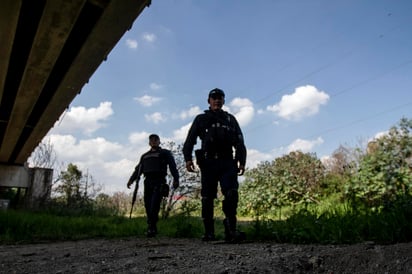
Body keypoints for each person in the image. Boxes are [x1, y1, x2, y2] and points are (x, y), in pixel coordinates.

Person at [183, 88, 247, 242]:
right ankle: (209, 232)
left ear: (224, 101)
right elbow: (190, 140)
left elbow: (240, 141)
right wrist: (188, 158)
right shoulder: (201, 119)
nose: (217, 100)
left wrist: (241, 160)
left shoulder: (230, 119)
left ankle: (230, 229)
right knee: (207, 197)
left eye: (220, 98)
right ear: (209, 101)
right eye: (214, 98)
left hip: (227, 162)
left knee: (231, 193)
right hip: (208, 162)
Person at [127, 134, 179, 237]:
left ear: (159, 141)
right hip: (148, 182)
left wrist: (176, 179)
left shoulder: (165, 153)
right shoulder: (145, 156)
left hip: (159, 181)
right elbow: (138, 170)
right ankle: (151, 226)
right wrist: (131, 180)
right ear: (149, 142)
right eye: (152, 140)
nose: (154, 141)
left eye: (156, 140)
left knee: (154, 205)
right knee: (147, 204)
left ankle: (152, 227)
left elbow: (173, 166)